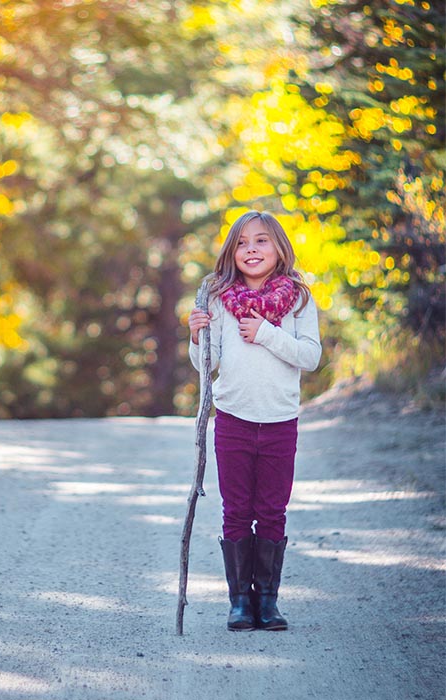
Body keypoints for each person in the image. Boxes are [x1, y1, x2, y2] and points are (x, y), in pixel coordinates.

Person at [188, 210, 321, 632]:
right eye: (242, 243)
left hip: (280, 420)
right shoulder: (218, 299)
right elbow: (207, 365)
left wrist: (265, 332)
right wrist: (196, 337)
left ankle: (268, 601)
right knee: (236, 510)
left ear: (279, 248)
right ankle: (240, 602)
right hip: (233, 419)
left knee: (272, 511)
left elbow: (310, 357)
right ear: (232, 252)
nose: (251, 249)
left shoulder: (299, 299)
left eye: (261, 240)